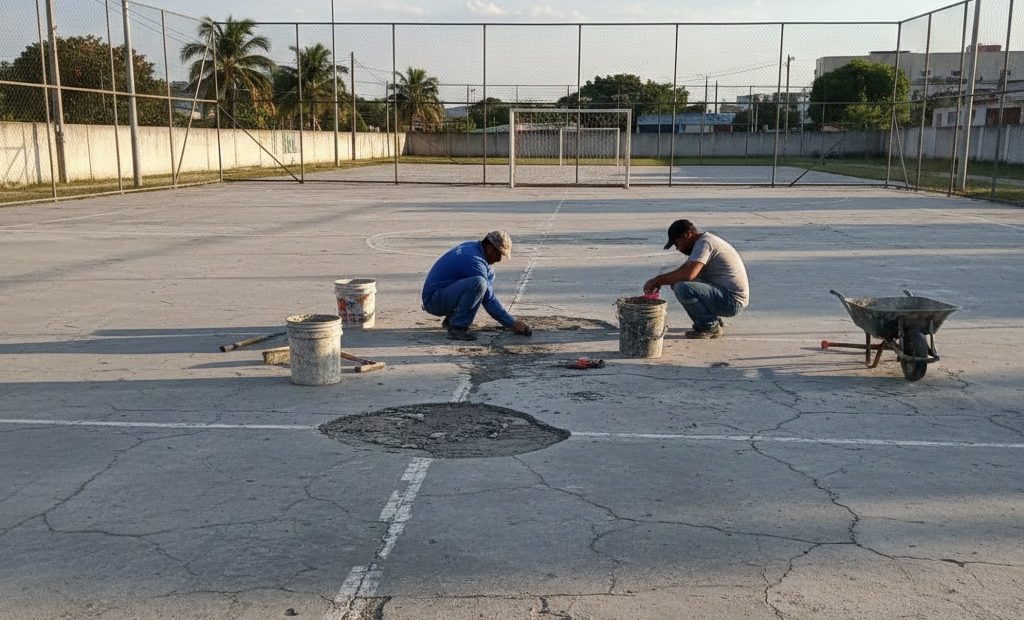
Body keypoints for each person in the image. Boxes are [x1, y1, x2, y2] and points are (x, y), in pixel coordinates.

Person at [643, 219, 749, 339]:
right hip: (727, 296)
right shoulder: (703, 242)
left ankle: (708, 326)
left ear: (688, 234)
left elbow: (689, 274)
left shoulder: (705, 243)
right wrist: (659, 280)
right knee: (678, 283)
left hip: (733, 301)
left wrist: (658, 281)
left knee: (682, 287)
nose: (678, 249)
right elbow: (683, 270)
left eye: (677, 243)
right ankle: (711, 319)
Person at [422, 230, 533, 341]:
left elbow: (486, 292)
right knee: (479, 283)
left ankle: (453, 319)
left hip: (443, 294)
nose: (499, 259)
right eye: (499, 253)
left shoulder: (473, 248)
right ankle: (457, 327)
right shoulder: (474, 260)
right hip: (433, 300)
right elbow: (488, 299)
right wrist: (512, 323)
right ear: (489, 247)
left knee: (487, 276)